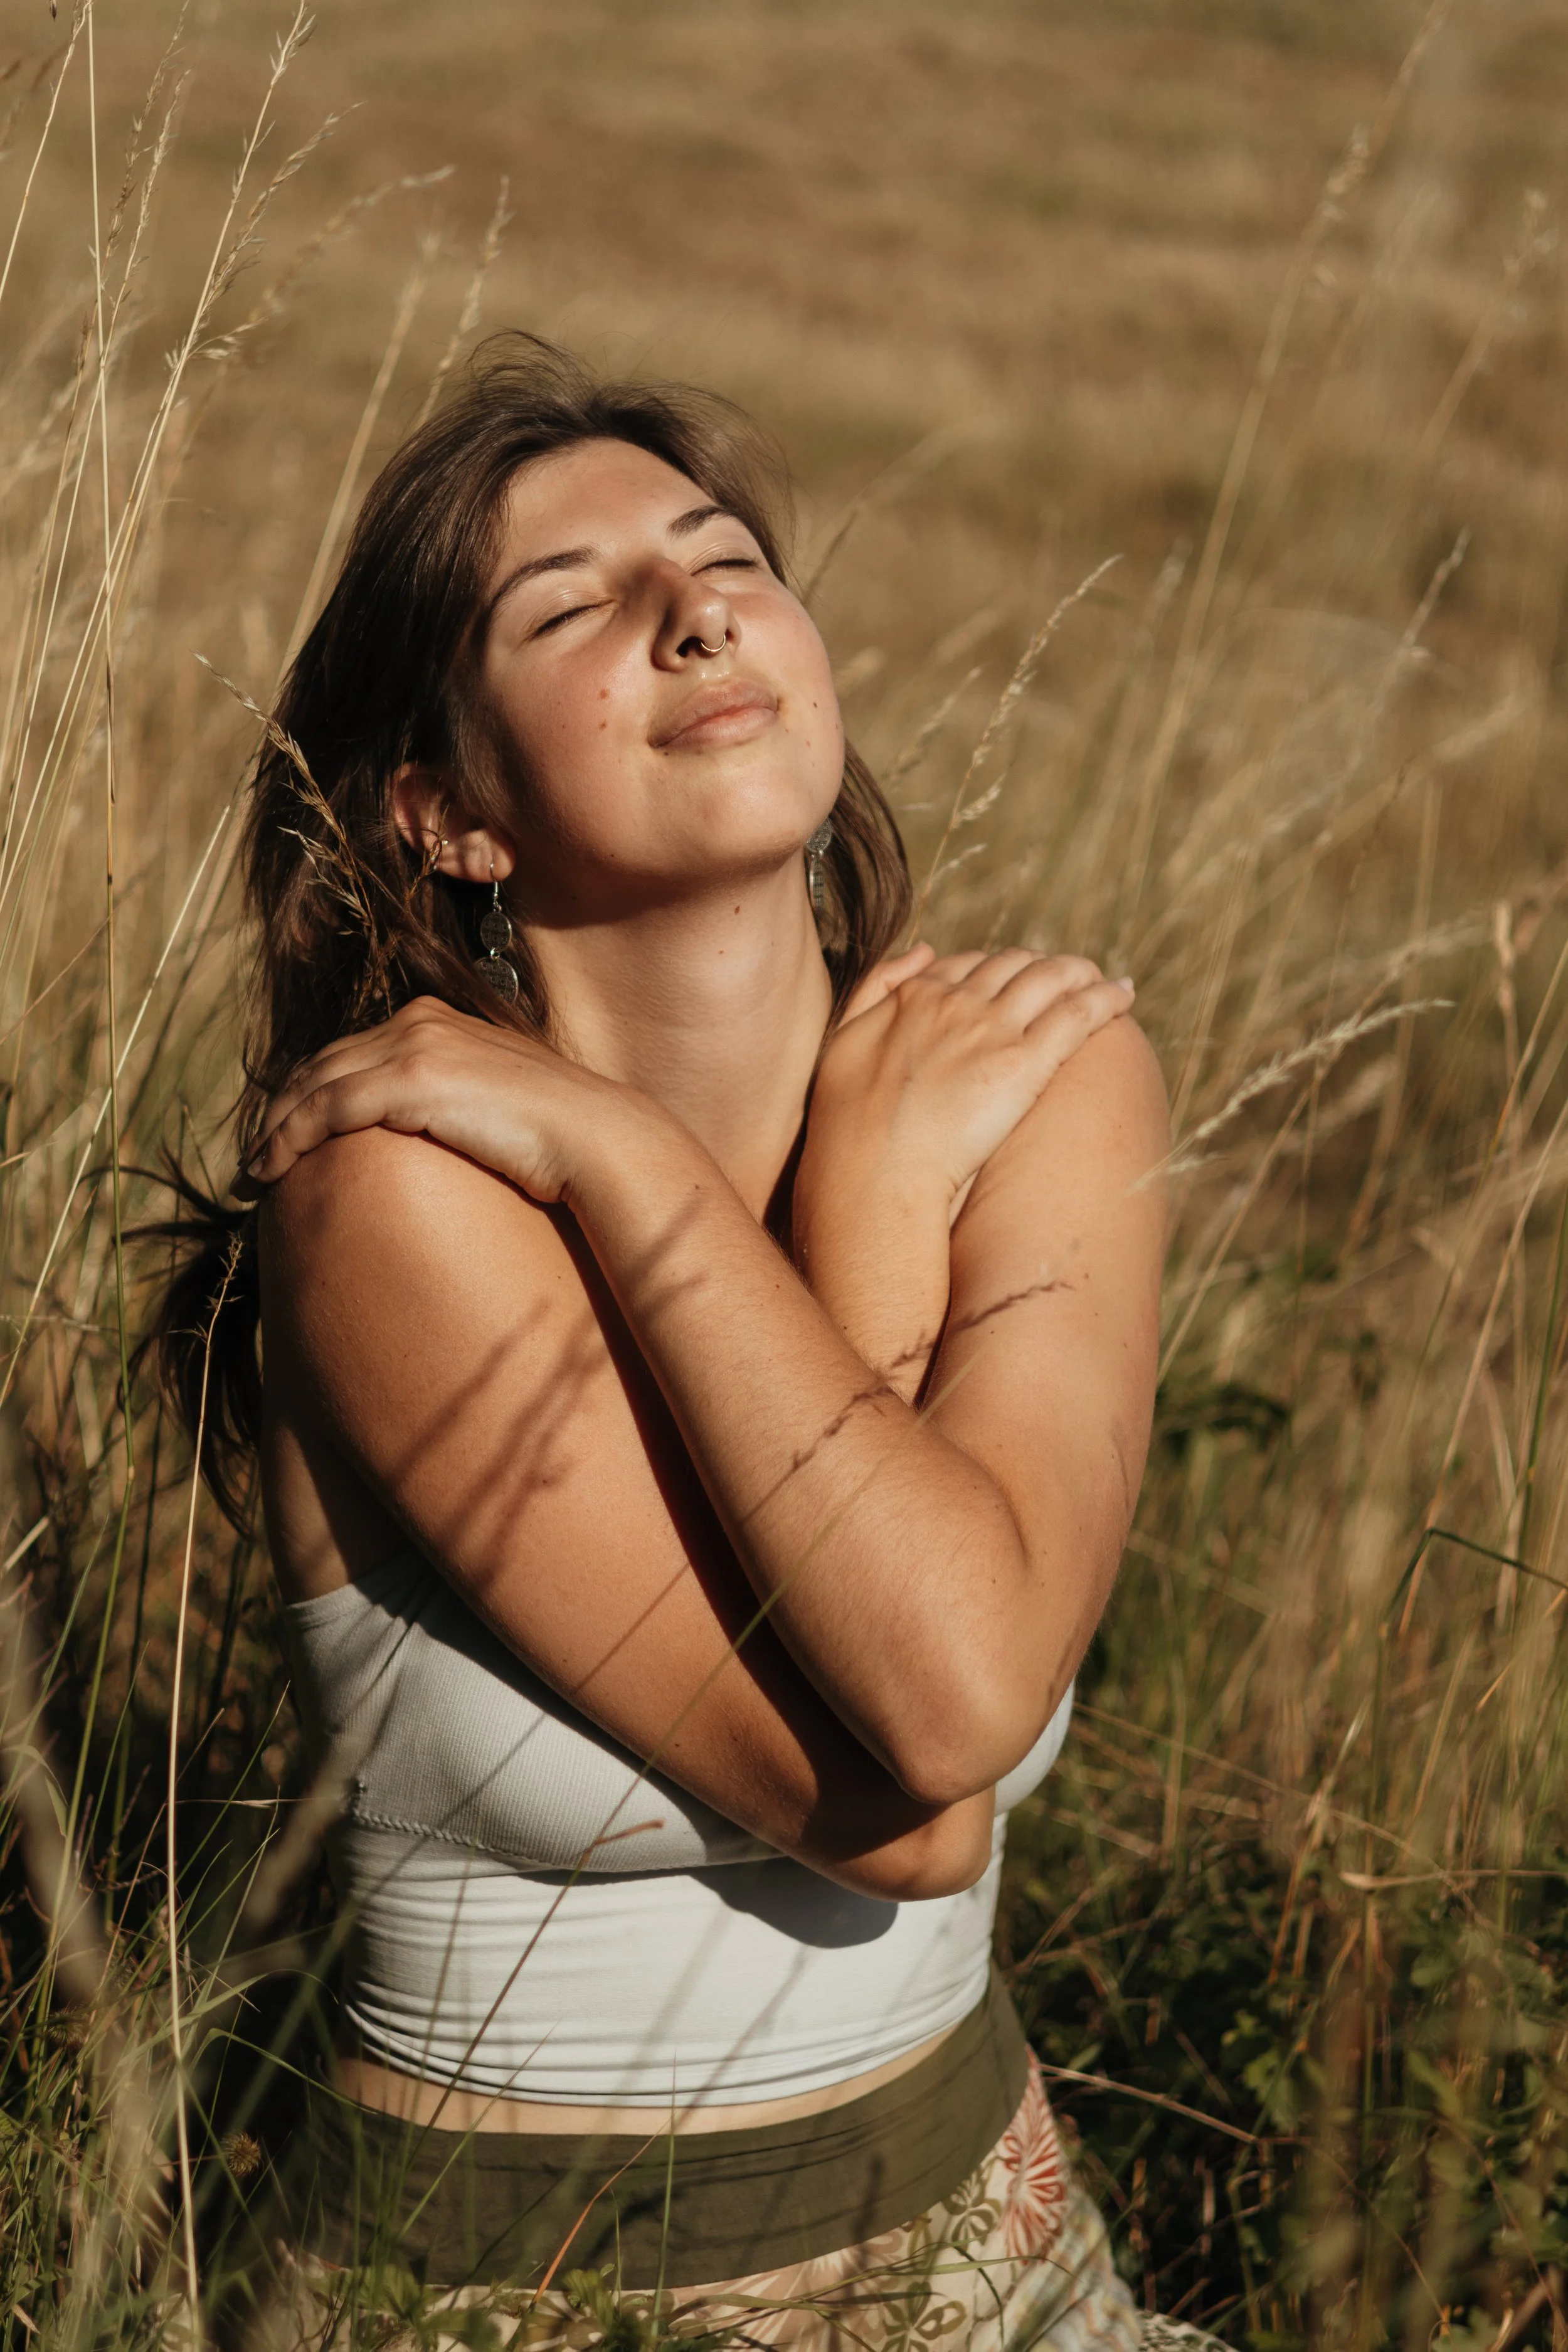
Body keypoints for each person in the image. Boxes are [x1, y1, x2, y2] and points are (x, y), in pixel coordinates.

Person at [159, 336, 1208, 2351]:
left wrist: (760, 1175)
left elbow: (936, 1688)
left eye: (724, 559)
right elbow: (924, 1774)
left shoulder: (1023, 1083)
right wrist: (652, 1168)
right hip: (519, 2304)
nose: (695, 612)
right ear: (450, 811)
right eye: (570, 606)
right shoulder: (394, 1196)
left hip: (997, 2271)